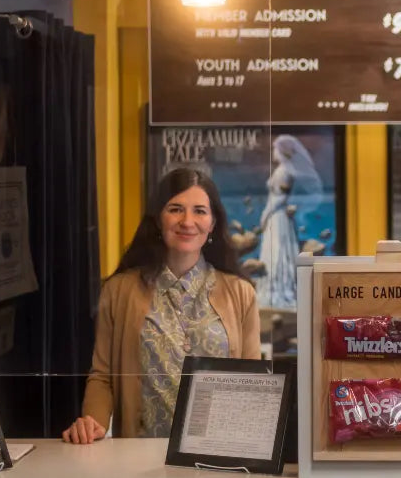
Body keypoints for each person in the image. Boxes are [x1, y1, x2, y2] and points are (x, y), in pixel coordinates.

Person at [62, 168, 260, 443]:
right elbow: (103, 377)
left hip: (219, 456)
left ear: (213, 223)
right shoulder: (118, 290)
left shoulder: (241, 293)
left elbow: (254, 384)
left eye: (200, 211)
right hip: (139, 462)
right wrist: (91, 425)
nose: (187, 221)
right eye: (175, 209)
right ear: (158, 219)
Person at [256, 134, 322, 309]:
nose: (273, 152)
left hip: (277, 217)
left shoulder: (284, 172)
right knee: (279, 251)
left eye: (275, 149)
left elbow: (279, 199)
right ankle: (277, 288)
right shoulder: (284, 170)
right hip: (278, 217)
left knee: (278, 252)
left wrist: (264, 215)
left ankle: (279, 289)